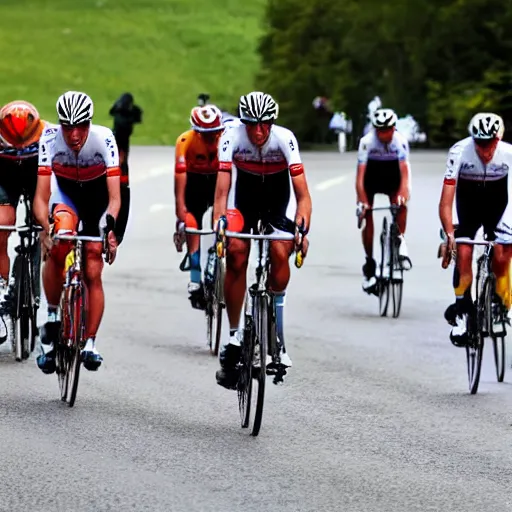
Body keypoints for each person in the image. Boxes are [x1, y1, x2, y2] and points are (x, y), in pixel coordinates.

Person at [213, 91, 312, 389]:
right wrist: (220, 225)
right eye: (251, 124)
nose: (258, 131)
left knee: (281, 252)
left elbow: (303, 196)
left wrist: (302, 230)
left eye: (264, 124)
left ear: (272, 122)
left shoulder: (284, 138)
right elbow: (221, 193)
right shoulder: (231, 138)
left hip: (278, 201)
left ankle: (277, 337)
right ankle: (234, 333)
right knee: (237, 252)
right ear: (243, 123)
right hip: (243, 201)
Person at [34, 91, 120, 373]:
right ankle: (52, 315)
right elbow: (42, 195)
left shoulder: (104, 138)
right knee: (62, 240)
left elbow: (115, 198)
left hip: (98, 200)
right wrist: (45, 229)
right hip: (66, 195)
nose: (73, 135)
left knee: (93, 265)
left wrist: (110, 228)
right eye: (67, 127)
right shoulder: (48, 138)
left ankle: (91, 343)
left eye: (80, 126)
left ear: (89, 123)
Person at [439, 112, 512, 346]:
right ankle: (462, 311)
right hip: (468, 205)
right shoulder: (459, 151)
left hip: (498, 207)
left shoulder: (509, 154)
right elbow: (446, 201)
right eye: (479, 143)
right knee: (463, 252)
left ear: (498, 139)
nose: (483, 149)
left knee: (503, 254)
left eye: (488, 143)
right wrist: (449, 233)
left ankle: (500, 304)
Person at [0, 100, 50, 342]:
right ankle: (1, 291)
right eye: (13, 145)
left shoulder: (48, 134)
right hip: (4, 180)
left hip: (35, 179)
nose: (19, 148)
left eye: (24, 144)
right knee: (1, 225)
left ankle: (36, 279)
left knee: (42, 224)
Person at [174, 104, 225, 309]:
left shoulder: (225, 140)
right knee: (192, 224)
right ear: (195, 131)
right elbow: (179, 177)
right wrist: (180, 211)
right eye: (204, 134)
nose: (209, 138)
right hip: (193, 185)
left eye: (213, 133)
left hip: (217, 182)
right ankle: (195, 276)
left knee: (220, 221)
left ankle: (217, 256)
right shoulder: (185, 141)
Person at [356, 108, 412, 294]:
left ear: (394, 128)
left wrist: (403, 195)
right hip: (371, 177)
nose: (384, 134)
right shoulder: (366, 142)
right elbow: (360, 178)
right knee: (367, 214)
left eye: (387, 129)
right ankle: (370, 261)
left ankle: (399, 241)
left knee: (402, 205)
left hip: (392, 176)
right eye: (379, 130)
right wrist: (363, 202)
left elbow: (404, 174)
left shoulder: (400, 141)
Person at [109, 93, 142, 244]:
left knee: (123, 158)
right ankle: (121, 173)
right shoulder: (121, 112)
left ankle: (121, 172)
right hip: (119, 137)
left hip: (123, 137)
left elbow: (137, 117)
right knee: (121, 160)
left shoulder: (125, 111)